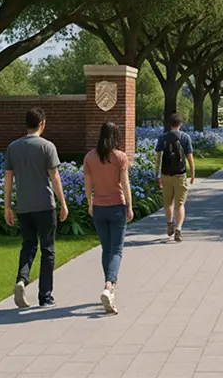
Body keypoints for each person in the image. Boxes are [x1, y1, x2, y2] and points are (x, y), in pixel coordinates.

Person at [3, 108, 66, 308]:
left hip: (23, 206)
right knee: (48, 249)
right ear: (42, 124)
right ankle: (45, 297)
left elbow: (8, 178)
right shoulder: (47, 147)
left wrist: (7, 206)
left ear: (26, 124)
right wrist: (63, 203)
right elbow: (55, 177)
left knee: (28, 245)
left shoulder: (13, 147)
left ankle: (21, 279)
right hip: (45, 205)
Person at [83, 122, 132, 314]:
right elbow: (125, 183)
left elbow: (87, 184)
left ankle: (108, 287)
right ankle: (109, 286)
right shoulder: (120, 157)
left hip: (99, 207)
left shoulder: (90, 157)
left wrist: (89, 203)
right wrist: (130, 205)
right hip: (116, 206)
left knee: (106, 249)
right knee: (117, 250)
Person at [156, 113, 196, 242]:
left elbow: (158, 158)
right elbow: (189, 156)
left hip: (166, 174)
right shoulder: (185, 137)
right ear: (180, 124)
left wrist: (157, 174)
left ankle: (169, 224)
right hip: (180, 174)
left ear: (169, 124)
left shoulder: (162, 138)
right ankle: (178, 229)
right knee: (180, 204)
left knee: (168, 203)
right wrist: (193, 173)